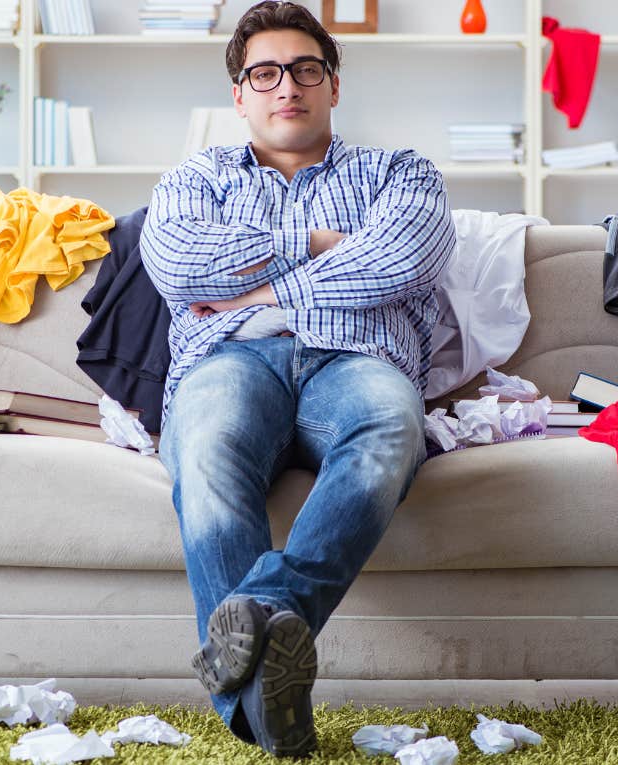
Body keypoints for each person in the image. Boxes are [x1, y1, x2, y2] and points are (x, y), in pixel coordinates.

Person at [138, 1, 457, 756]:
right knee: (208, 443)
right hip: (230, 360)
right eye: (267, 73)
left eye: (307, 69)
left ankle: (256, 615)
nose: (289, 86)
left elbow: (405, 257)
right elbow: (179, 262)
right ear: (240, 95)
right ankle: (262, 704)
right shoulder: (196, 177)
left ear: (334, 86)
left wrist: (260, 288)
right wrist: (315, 243)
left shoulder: (397, 172)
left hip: (358, 361)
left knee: (389, 424)